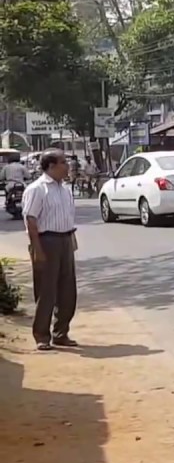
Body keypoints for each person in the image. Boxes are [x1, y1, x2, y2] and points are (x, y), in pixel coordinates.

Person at [21, 150, 79, 351]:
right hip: (46, 241)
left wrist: (72, 240)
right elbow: (31, 219)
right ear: (51, 166)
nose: (67, 165)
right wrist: (37, 248)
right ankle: (42, 335)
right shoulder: (37, 189)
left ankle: (61, 333)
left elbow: (68, 217)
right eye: (63, 162)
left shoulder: (65, 190)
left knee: (68, 290)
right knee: (46, 290)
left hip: (65, 239)